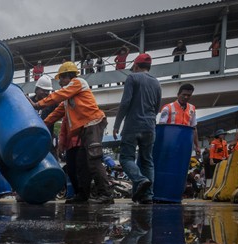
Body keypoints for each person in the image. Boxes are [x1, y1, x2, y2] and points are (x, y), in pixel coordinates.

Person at [31, 61, 113, 204]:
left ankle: (106, 194)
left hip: (93, 123)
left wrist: (38, 104)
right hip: (85, 129)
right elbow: (56, 114)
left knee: (93, 160)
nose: (60, 82)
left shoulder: (78, 82)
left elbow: (59, 94)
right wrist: (41, 125)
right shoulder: (68, 100)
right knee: (81, 163)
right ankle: (82, 195)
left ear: (69, 76)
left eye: (62, 78)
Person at [112, 53, 162, 204]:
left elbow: (125, 103)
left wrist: (116, 124)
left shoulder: (132, 78)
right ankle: (147, 196)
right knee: (147, 161)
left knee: (126, 158)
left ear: (135, 65)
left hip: (133, 125)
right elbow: (157, 107)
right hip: (150, 126)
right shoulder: (157, 83)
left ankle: (140, 180)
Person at [159, 83, 200, 154]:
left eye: (188, 95)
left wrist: (197, 146)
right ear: (178, 94)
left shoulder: (192, 108)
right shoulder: (167, 108)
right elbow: (162, 127)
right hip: (170, 143)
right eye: (184, 95)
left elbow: (194, 128)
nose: (186, 97)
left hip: (185, 144)